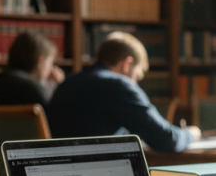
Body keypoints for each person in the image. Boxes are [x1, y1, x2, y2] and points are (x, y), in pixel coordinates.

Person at [46, 31, 199, 151]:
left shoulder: (68, 82)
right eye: (137, 75)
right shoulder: (119, 85)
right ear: (127, 63)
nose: (136, 82)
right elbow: (166, 140)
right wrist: (192, 133)